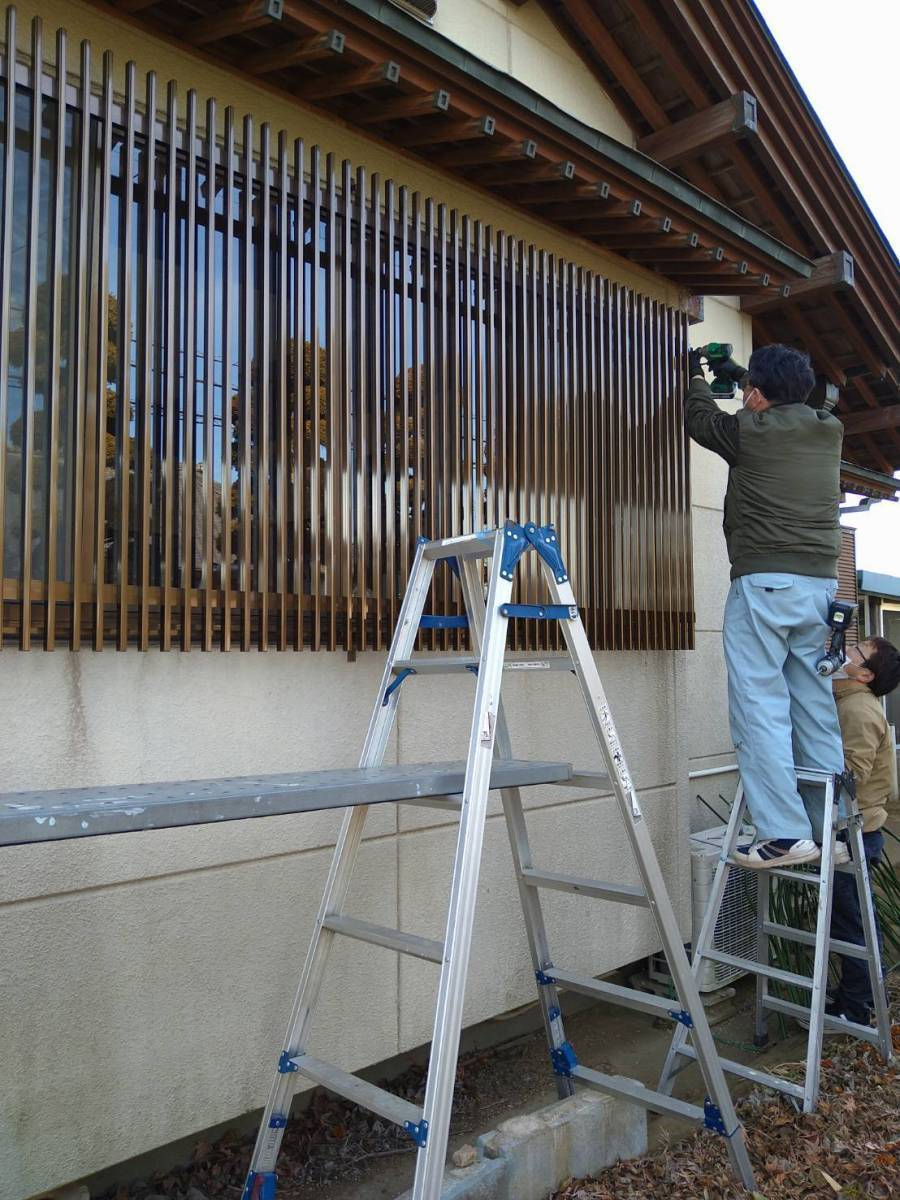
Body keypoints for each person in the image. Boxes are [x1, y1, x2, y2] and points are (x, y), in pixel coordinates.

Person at [685, 342, 844, 869]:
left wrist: (695, 377)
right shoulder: (828, 429)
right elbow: (788, 401)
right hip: (819, 590)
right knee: (814, 707)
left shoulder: (748, 433)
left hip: (765, 585)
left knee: (760, 708)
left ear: (757, 394)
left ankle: (783, 832)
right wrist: (739, 375)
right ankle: (828, 829)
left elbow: (700, 420)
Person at [828, 636, 900, 1022]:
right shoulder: (850, 702)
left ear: (865, 673)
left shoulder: (857, 709)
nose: (844, 653)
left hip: (853, 833)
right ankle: (862, 997)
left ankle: (856, 1010)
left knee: (851, 921)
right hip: (856, 830)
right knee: (856, 916)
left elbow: (851, 776)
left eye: (854, 652)